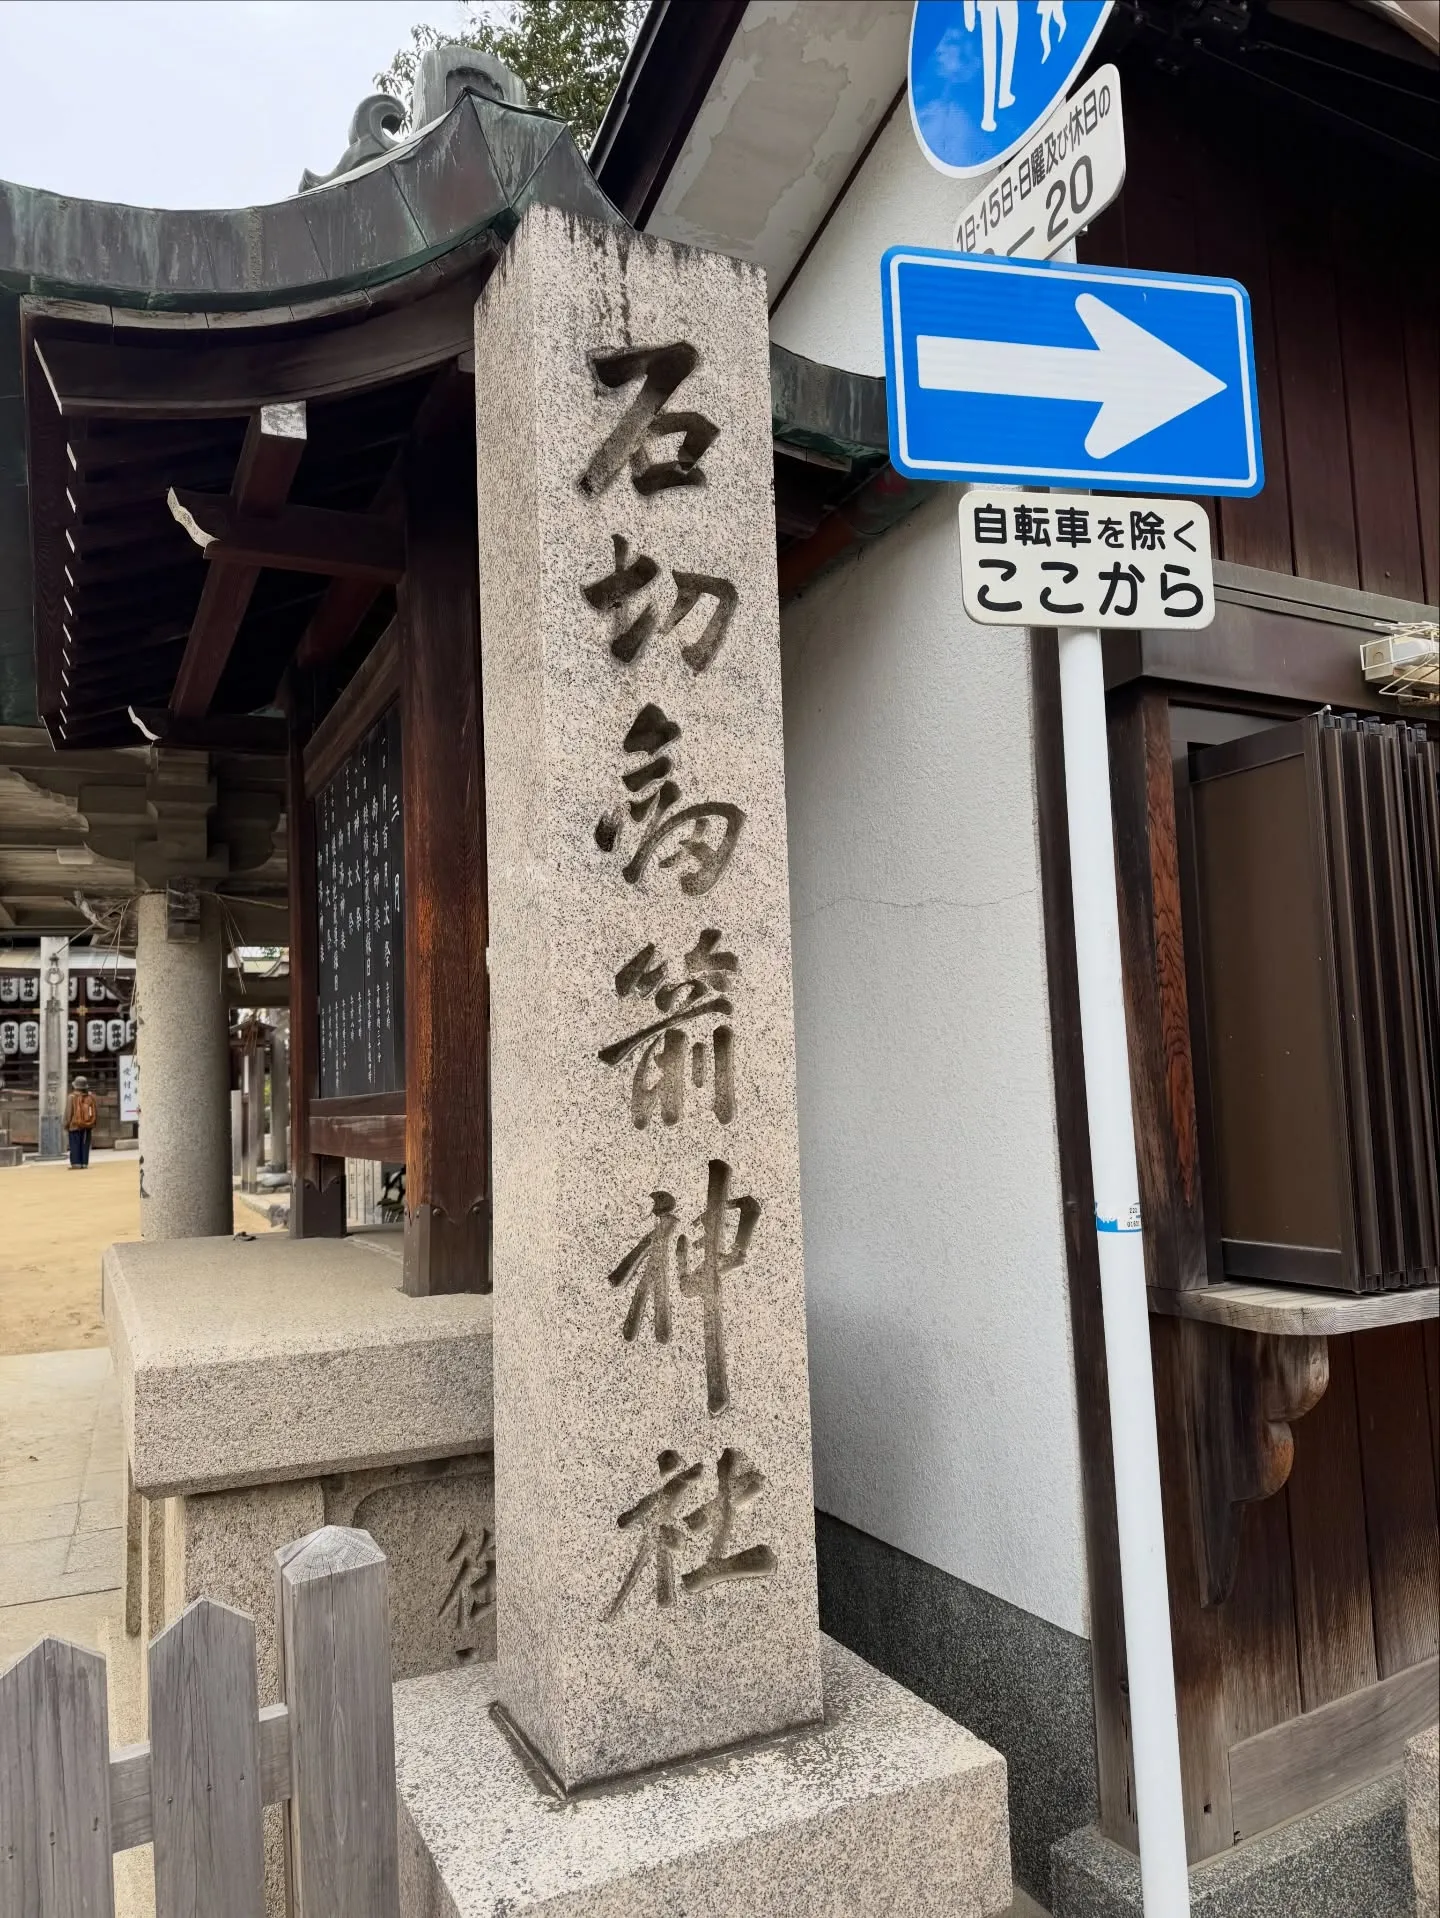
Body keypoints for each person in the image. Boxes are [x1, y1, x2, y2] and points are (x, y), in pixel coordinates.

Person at [65, 1075, 97, 1169]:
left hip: (75, 1125)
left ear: (75, 1086)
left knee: (75, 1145)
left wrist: (66, 1124)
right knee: (85, 1144)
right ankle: (84, 1163)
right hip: (87, 1126)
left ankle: (76, 1164)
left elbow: (68, 1113)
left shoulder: (71, 1097)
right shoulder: (90, 1097)